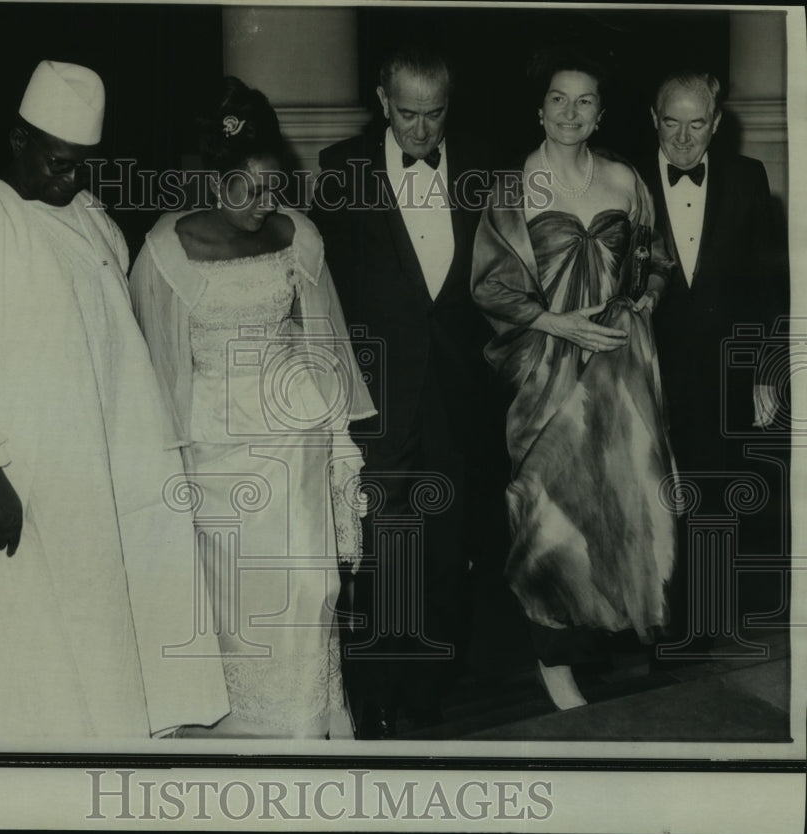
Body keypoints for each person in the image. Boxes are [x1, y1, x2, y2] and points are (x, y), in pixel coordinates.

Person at [0, 60, 228, 741]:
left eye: (82, 165)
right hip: (14, 488)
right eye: (57, 162)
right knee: (9, 667)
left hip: (92, 488)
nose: (69, 178)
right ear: (19, 139)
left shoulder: (94, 221)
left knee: (95, 655)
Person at [129, 77, 376, 739]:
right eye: (250, 188)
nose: (266, 203)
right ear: (215, 178)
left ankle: (303, 732)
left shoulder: (297, 236)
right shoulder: (166, 251)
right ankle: (243, 733)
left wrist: (339, 441)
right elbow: (153, 371)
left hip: (296, 444)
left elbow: (322, 341)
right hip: (216, 454)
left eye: (275, 188)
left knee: (310, 589)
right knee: (241, 603)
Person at [310, 44, 508, 738]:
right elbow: (320, 291)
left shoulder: (484, 167)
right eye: (408, 114)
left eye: (435, 115)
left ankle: (426, 692)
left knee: (446, 551)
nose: (423, 131)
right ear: (382, 100)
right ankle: (372, 691)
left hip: (459, 394)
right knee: (378, 549)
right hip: (376, 396)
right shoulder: (342, 169)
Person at [470, 50, 677, 710]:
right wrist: (561, 327)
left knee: (619, 506)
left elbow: (652, 260)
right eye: (558, 99)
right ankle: (553, 662)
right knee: (546, 516)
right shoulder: (513, 188)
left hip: (618, 372)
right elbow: (493, 288)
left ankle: (610, 642)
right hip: (546, 372)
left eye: (584, 101)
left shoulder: (625, 179)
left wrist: (643, 300)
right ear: (539, 109)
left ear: (601, 114)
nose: (569, 112)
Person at [643, 71, 789, 650]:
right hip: (645, 364)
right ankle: (656, 621)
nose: (682, 139)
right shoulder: (623, 178)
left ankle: (701, 624)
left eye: (696, 123)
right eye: (671, 123)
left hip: (725, 366)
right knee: (652, 495)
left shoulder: (748, 178)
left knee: (713, 491)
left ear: (717, 123)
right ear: (653, 120)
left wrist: (764, 367)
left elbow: (766, 284)